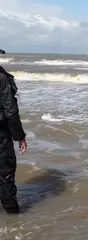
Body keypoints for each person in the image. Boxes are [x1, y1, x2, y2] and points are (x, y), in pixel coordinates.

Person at [0, 66, 27, 214]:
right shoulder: (2, 78)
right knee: (6, 175)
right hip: (1, 134)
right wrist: (20, 136)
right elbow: (10, 111)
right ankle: (14, 220)